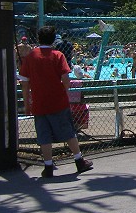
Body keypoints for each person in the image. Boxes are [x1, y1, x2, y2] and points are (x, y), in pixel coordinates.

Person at [19, 25, 94, 177]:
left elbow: (25, 84)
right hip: (58, 101)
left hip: (39, 102)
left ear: (38, 38)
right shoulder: (57, 55)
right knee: (68, 132)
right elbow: (65, 79)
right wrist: (64, 93)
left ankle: (47, 166)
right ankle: (79, 161)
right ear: (54, 40)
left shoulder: (31, 57)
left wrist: (27, 104)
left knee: (43, 135)